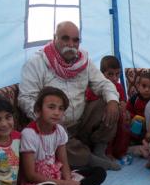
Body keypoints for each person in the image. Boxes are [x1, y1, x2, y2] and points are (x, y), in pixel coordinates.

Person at [18, 21, 121, 171]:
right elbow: (26, 98)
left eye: (75, 40)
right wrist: (48, 118)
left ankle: (99, 151)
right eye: (65, 38)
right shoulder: (36, 63)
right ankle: (89, 159)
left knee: (110, 102)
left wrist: (112, 101)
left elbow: (103, 84)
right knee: (55, 135)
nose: (71, 44)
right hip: (54, 125)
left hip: (80, 123)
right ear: (55, 38)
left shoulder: (83, 61)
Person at [21, 87, 107, 185]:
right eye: (51, 107)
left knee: (100, 172)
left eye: (61, 109)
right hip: (40, 182)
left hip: (58, 176)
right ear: (38, 110)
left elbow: (64, 163)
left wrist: (68, 182)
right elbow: (30, 175)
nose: (56, 112)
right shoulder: (29, 134)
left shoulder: (59, 130)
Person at [86, 56, 130, 161]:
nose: (115, 78)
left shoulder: (118, 87)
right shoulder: (94, 87)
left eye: (117, 74)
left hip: (116, 117)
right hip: (100, 118)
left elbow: (123, 102)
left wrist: (124, 108)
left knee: (123, 122)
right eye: (110, 74)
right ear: (101, 74)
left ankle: (119, 151)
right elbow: (92, 104)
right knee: (109, 119)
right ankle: (106, 152)